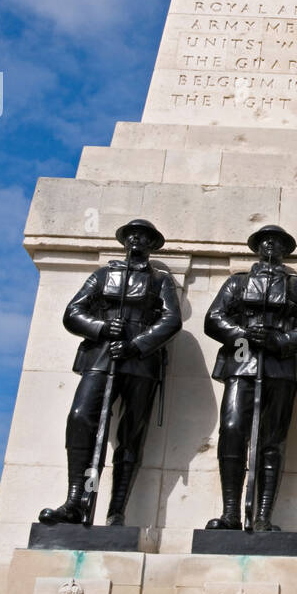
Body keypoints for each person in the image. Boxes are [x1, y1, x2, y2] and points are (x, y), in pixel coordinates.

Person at [39, 218, 182, 527]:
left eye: (144, 238)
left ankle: (117, 509)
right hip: (101, 356)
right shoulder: (103, 275)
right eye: (132, 236)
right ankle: (77, 499)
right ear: (124, 241)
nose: (136, 242)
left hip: (141, 361)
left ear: (152, 244)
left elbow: (171, 320)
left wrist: (138, 345)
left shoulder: (160, 280)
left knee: (131, 433)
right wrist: (101, 327)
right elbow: (73, 313)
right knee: (81, 417)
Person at [204, 225, 297, 531]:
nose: (271, 245)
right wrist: (243, 333)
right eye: (266, 241)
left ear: (286, 250)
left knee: (272, 441)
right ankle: (231, 512)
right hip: (242, 364)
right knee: (231, 431)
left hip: (280, 367)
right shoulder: (238, 282)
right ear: (257, 247)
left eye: (279, 242)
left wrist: (281, 341)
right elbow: (214, 318)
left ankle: (263, 516)